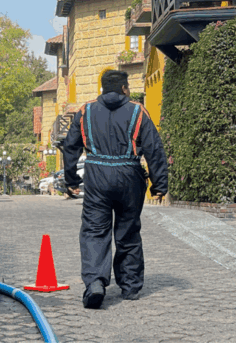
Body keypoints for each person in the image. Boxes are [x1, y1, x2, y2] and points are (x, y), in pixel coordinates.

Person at [60, 69, 168, 309]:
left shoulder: (85, 111)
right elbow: (154, 149)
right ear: (123, 88)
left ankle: (96, 283)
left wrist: (71, 181)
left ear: (102, 88)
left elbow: (70, 147)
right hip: (129, 174)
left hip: (97, 174)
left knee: (94, 230)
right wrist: (159, 184)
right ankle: (130, 287)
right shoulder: (138, 111)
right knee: (128, 230)